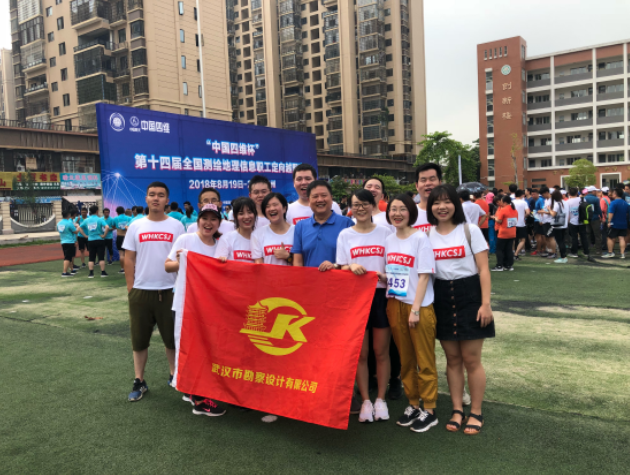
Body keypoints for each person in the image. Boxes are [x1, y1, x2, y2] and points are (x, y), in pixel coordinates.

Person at [426, 184, 494, 435]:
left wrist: (485, 304)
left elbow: (483, 269)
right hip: (441, 297)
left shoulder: (470, 230)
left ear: (456, 204)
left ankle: (476, 411)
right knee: (452, 359)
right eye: (436, 202)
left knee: (472, 359)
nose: (442, 207)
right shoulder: (427, 235)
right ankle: (457, 409)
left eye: (447, 201)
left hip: (470, 297)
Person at [123, 182, 185, 402]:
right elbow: (129, 258)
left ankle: (174, 375)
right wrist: (131, 288)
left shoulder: (176, 226)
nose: (156, 198)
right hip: (141, 292)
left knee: (172, 339)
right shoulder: (136, 225)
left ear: (167, 200)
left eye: (160, 195)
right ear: (146, 199)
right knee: (139, 340)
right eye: (152, 195)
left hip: (170, 291)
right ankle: (139, 380)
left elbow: (182, 258)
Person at [336, 190, 392, 423]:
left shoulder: (386, 232)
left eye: (364, 204)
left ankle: (381, 399)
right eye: (356, 205)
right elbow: (341, 266)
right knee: (361, 354)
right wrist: (351, 267)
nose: (360, 208)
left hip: (381, 296)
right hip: (356, 299)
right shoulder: (345, 234)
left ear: (372, 205)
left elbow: (394, 266)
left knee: (381, 351)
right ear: (350, 208)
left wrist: (384, 276)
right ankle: (366, 401)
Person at [165, 203, 226, 417]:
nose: (208, 223)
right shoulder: (186, 239)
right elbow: (167, 266)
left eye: (213, 219)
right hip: (186, 303)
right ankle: (199, 400)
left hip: (210, 306)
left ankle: (193, 390)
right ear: (198, 220)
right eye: (205, 218)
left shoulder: (220, 245)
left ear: (219, 222)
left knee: (207, 349)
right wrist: (183, 261)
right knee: (190, 348)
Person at [384, 193, 438, 433]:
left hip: (419, 306)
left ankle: (430, 409)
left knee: (424, 360)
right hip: (395, 303)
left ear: (411, 213)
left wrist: (415, 309)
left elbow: (424, 276)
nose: (397, 214)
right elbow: (394, 272)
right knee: (406, 359)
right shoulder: (389, 240)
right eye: (393, 209)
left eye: (402, 209)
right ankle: (414, 403)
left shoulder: (420, 238)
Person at [292, 180, 353, 269]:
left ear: (331, 199)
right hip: (309, 278)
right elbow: (298, 262)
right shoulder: (300, 226)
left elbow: (352, 259)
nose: (320, 200)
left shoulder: (347, 223)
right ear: (309, 201)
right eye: (315, 196)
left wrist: (335, 266)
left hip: (338, 277)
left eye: (324, 195)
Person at [252, 193, 294, 266]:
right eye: (267, 206)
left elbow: (304, 263)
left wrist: (288, 257)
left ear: (284, 208)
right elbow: (258, 265)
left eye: (275, 205)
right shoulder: (257, 234)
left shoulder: (297, 231)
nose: (271, 209)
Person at [216, 197, 257, 263]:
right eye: (241, 213)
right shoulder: (226, 239)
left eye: (250, 212)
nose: (246, 217)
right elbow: (217, 264)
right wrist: (221, 261)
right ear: (235, 216)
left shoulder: (261, 238)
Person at [79, 205, 110, 278]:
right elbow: (107, 227)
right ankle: (103, 272)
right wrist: (104, 235)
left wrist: (85, 235)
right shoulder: (100, 219)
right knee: (101, 257)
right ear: (97, 211)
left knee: (91, 257)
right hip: (100, 239)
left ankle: (91, 273)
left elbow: (80, 228)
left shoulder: (87, 220)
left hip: (91, 240)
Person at [492, 195, 518, 272]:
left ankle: (499, 265)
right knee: (509, 249)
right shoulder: (514, 210)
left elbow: (499, 220)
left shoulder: (503, 210)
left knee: (499, 249)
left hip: (503, 232)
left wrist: (494, 218)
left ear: (505, 202)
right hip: (512, 232)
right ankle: (508, 265)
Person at [602, 188, 629, 259]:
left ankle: (610, 252)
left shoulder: (614, 203)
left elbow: (611, 213)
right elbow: (627, 213)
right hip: (623, 223)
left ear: (615, 194)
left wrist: (609, 221)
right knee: (622, 238)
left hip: (614, 223)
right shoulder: (625, 203)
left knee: (610, 238)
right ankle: (622, 254)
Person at [566, 188, 589, 258]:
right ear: (577, 193)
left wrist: (568, 222)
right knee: (583, 237)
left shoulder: (568, 202)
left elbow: (568, 213)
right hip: (582, 221)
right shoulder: (583, 199)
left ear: (569, 194)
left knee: (574, 237)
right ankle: (586, 252)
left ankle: (574, 252)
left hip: (573, 221)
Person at [548, 189, 569, 263]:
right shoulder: (565, 202)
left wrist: (549, 209)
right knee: (562, 241)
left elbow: (553, 214)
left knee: (560, 241)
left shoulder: (557, 204)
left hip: (558, 225)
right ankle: (564, 256)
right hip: (564, 224)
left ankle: (563, 257)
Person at [57, 209, 79, 277]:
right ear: (69, 215)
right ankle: (64, 272)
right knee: (68, 257)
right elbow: (75, 231)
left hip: (63, 241)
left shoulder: (59, 223)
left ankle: (72, 270)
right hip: (70, 242)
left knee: (68, 256)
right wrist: (78, 227)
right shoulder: (69, 223)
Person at [584, 186, 603, 257]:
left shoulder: (584, 198)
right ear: (593, 191)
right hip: (595, 218)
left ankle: (587, 249)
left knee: (587, 234)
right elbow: (598, 209)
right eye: (596, 191)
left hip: (586, 219)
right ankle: (598, 250)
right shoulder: (596, 199)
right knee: (597, 235)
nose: (596, 192)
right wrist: (601, 216)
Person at [512, 190, 530, 260]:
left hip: (512, 223)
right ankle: (516, 254)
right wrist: (524, 217)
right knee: (522, 240)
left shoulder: (512, 202)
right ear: (522, 195)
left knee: (513, 239)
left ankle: (512, 251)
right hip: (521, 223)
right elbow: (528, 212)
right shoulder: (524, 202)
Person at [114, 206, 131, 274]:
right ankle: (130, 268)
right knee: (129, 254)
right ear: (124, 211)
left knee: (121, 254)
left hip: (119, 237)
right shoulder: (129, 218)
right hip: (128, 237)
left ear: (117, 212)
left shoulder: (115, 218)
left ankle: (122, 269)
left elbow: (113, 226)